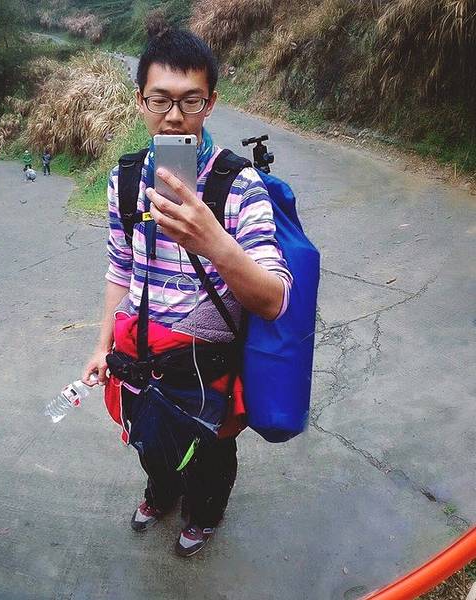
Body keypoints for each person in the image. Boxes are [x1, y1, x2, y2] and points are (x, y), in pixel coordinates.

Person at [82, 29, 292, 557]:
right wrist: (101, 345)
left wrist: (212, 240)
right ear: (141, 101)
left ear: (211, 102)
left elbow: (274, 299)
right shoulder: (125, 179)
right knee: (151, 440)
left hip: (207, 360)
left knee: (212, 453)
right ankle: (161, 491)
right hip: (140, 354)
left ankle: (204, 513)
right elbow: (120, 268)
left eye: (190, 101)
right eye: (160, 100)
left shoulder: (239, 185)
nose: (174, 117)